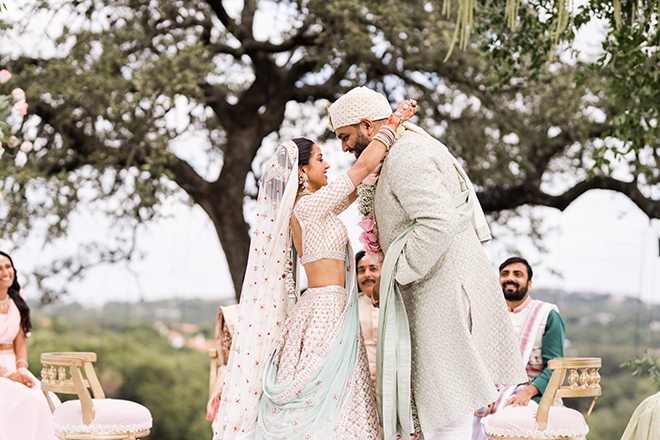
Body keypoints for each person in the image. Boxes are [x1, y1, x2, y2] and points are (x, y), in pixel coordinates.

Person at [327, 87, 527, 440]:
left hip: (441, 290)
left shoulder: (406, 156)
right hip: (436, 288)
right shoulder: (402, 150)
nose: (343, 148)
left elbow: (437, 222)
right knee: (441, 404)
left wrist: (394, 273)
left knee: (447, 404)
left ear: (366, 125)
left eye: (345, 137)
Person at [213, 99, 417, 440]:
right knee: (327, 399)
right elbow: (363, 166)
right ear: (303, 172)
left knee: (337, 398)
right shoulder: (307, 207)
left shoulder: (314, 208)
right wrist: (393, 122)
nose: (328, 164)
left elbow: (361, 183)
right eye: (321, 159)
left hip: (328, 307)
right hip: (325, 312)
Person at [472, 257, 566, 440]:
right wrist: (485, 394)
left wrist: (527, 392)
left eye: (518, 274)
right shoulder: (488, 315)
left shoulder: (548, 315)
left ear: (529, 283)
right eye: (505, 274)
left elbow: (556, 368)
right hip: (493, 390)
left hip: (535, 392)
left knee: (510, 420)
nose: (510, 278)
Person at [0, 251, 57, 440]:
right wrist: (9, 375)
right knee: (27, 401)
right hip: (2, 372)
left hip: (15, 366)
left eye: (7, 266)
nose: (5, 272)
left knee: (46, 399)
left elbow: (20, 342)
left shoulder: (17, 301)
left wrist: (22, 371)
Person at [355, 250, 381, 388]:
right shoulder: (351, 308)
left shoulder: (397, 306)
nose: (367, 275)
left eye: (373, 269)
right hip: (359, 384)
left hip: (394, 382)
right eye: (361, 270)